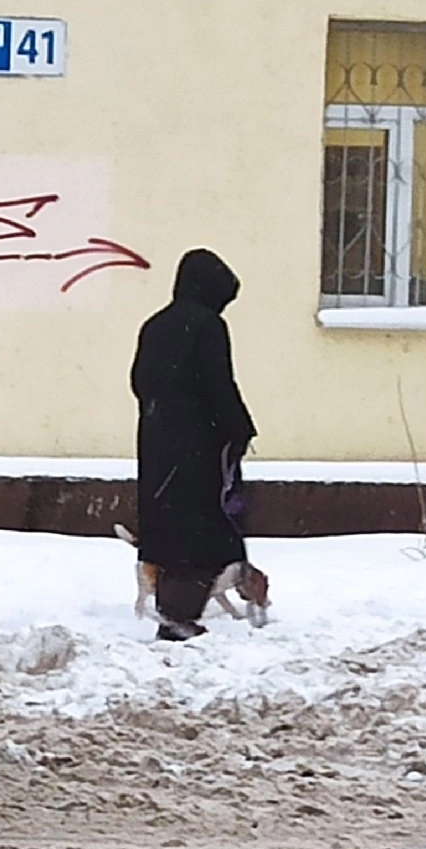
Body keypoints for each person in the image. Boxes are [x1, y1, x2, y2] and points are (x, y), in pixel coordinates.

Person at [130, 248, 258, 641]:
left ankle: (172, 608)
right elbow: (219, 384)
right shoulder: (207, 327)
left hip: (157, 443)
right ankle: (181, 616)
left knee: (167, 527)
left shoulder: (155, 325)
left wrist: (162, 416)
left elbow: (139, 381)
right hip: (200, 445)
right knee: (202, 527)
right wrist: (239, 427)